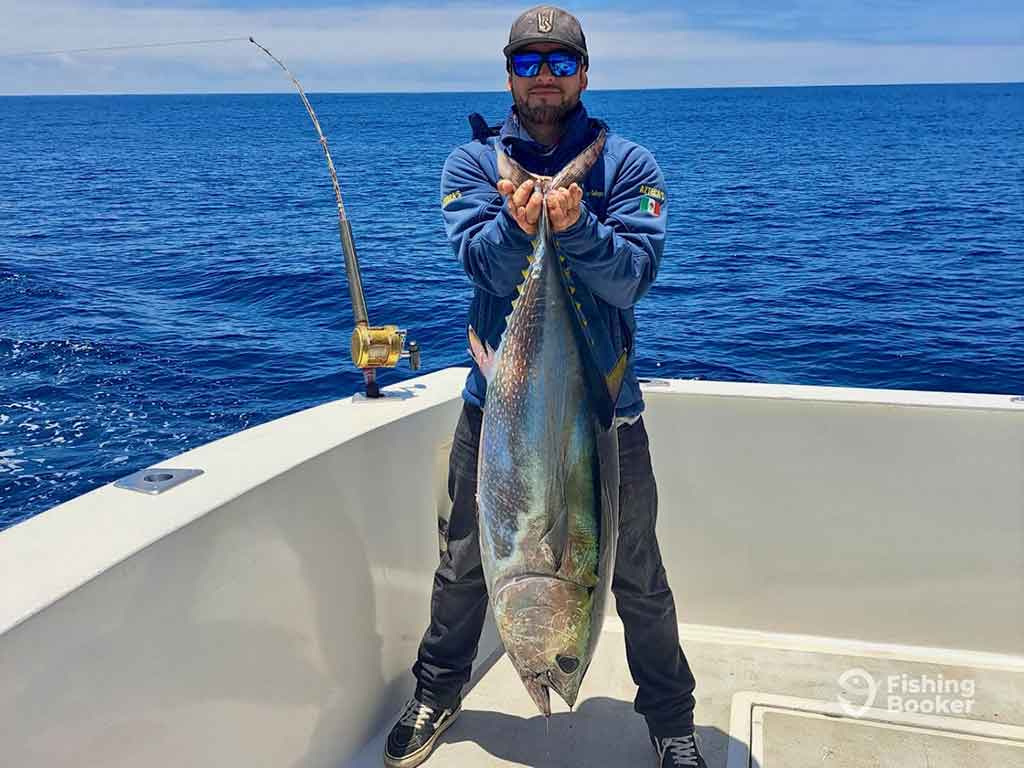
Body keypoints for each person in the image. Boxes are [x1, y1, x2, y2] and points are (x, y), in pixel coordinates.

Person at [384, 6, 705, 768]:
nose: (545, 78)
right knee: (465, 562)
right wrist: (515, 223)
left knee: (639, 576)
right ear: (509, 76)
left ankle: (671, 721)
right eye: (529, 64)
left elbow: (632, 279)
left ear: (584, 74)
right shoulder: (472, 165)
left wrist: (576, 230)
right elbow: (485, 269)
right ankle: (436, 691)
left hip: (606, 414)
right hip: (495, 411)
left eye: (561, 63)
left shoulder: (629, 166)